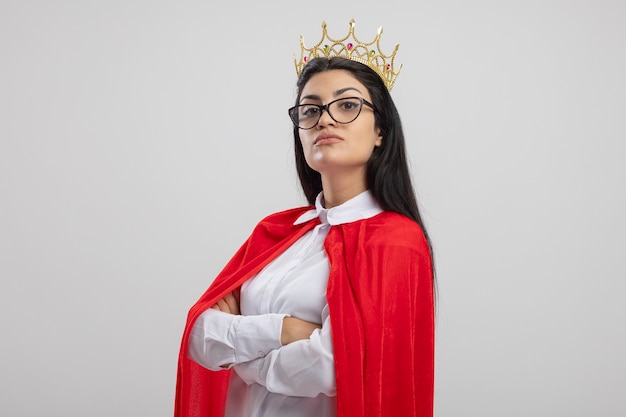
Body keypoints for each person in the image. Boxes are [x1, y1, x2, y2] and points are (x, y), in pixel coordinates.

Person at [174, 19, 435, 417]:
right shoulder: (278, 233)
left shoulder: (395, 240)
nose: (325, 120)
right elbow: (199, 335)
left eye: (347, 105)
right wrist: (286, 331)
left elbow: (333, 368)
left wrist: (241, 358)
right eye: (311, 110)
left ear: (381, 128)